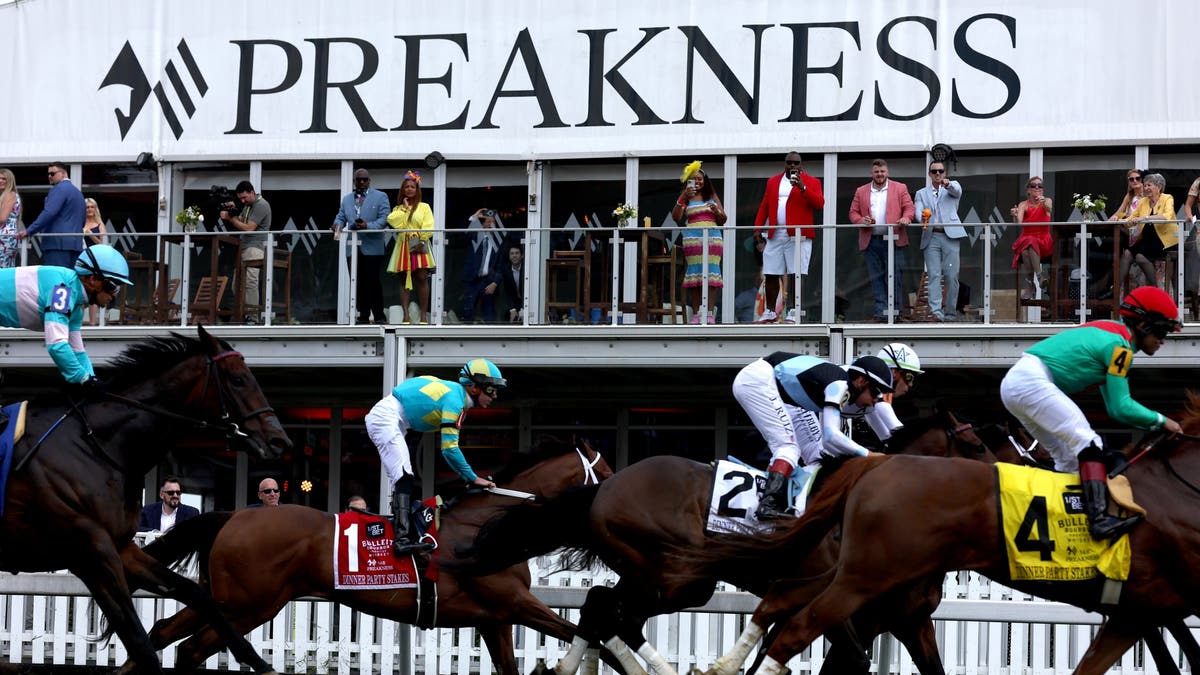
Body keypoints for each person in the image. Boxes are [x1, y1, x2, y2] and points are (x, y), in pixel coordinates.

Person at [1000, 286, 1183, 540]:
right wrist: (1163, 421)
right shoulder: (1120, 348)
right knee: (1089, 442)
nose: (1163, 340)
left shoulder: (1116, 336)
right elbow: (1122, 406)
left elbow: (1114, 410)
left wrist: (1155, 425)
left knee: (1067, 457)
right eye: (1162, 331)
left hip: (1018, 382)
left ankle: (1064, 519)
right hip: (1030, 381)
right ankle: (1098, 520)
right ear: (1143, 325)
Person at [364, 358, 506, 555]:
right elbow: (449, 449)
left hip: (393, 419)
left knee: (403, 479)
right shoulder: (455, 401)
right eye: (491, 389)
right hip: (387, 419)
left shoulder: (455, 394)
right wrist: (473, 478)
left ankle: (405, 531)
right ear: (474, 387)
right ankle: (401, 540)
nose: (495, 395)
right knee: (404, 478)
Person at [732, 352, 895, 520]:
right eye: (876, 392)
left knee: (819, 454)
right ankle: (768, 503)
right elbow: (831, 435)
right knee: (788, 448)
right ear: (861, 382)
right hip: (758, 381)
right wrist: (868, 455)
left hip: (787, 397)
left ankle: (801, 503)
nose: (877, 399)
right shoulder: (839, 385)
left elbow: (828, 444)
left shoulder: (845, 385)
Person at [0, 244, 131, 388]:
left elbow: (78, 351)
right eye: (113, 286)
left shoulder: (75, 306)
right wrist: (84, 379)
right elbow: (56, 345)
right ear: (92, 280)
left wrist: (92, 378)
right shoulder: (62, 291)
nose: (114, 295)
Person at [752, 152, 825, 323]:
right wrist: (757, 228)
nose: (792, 166)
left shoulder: (812, 181)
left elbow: (820, 204)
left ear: (801, 164)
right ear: (784, 164)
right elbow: (765, 205)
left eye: (796, 163)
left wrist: (802, 187)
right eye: (789, 163)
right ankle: (770, 311)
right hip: (775, 233)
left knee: (796, 273)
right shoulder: (773, 181)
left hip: (798, 235)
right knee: (770, 272)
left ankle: (794, 310)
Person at [849, 159, 915, 322]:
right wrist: (861, 220)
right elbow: (853, 213)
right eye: (877, 172)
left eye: (882, 171)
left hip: (894, 239)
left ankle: (896, 313)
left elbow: (909, 208)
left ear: (887, 172)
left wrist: (906, 218)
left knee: (895, 276)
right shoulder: (861, 190)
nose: (880, 174)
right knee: (875, 277)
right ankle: (881, 313)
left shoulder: (900, 188)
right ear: (872, 173)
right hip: (871, 240)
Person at [672, 161, 727, 324]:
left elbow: (723, 219)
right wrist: (683, 197)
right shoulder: (686, 197)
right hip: (692, 239)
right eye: (693, 179)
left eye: (700, 179)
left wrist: (716, 210)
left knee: (711, 275)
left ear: (705, 180)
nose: (697, 182)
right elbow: (676, 217)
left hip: (712, 238)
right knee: (695, 275)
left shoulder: (711, 195)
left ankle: (709, 313)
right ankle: (696, 314)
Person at [333, 169, 390, 324]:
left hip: (373, 247)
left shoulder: (380, 196)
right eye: (359, 180)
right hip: (352, 247)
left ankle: (379, 316)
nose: (362, 182)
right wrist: (337, 225)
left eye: (365, 180)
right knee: (357, 282)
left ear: (369, 180)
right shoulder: (347, 199)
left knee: (373, 282)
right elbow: (341, 216)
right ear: (354, 181)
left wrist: (367, 226)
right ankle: (363, 315)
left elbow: (384, 219)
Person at [913, 161, 966, 322]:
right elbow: (917, 211)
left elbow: (956, 191)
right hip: (932, 236)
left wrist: (947, 183)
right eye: (934, 171)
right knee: (934, 274)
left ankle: (950, 313)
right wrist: (921, 216)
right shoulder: (921, 193)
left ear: (944, 172)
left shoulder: (953, 185)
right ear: (929, 174)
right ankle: (936, 313)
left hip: (950, 236)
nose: (937, 174)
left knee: (952, 275)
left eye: (940, 171)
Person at [386, 170, 436, 324]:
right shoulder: (398, 209)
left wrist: (422, 241)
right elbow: (394, 222)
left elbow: (429, 225)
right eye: (406, 187)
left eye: (412, 187)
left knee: (421, 277)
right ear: (403, 189)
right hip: (403, 244)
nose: (409, 189)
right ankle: (406, 315)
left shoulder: (425, 207)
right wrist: (406, 209)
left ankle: (422, 315)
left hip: (418, 241)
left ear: (417, 189)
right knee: (403, 279)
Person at [221, 180, 271, 324]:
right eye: (240, 198)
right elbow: (241, 221)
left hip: (255, 247)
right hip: (245, 247)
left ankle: (253, 317)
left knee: (250, 282)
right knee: (236, 285)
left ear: (252, 192)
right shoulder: (248, 205)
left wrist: (230, 218)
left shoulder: (261, 205)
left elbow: (249, 228)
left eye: (244, 197)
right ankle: (244, 314)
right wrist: (233, 211)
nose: (243, 200)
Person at [20, 162, 85, 268]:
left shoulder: (58, 189)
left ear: (63, 173)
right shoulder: (78, 192)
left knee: (58, 280)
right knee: (71, 280)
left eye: (52, 173)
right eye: (48, 174)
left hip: (56, 244)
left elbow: (49, 212)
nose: (49, 176)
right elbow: (82, 220)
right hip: (75, 244)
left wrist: (29, 230)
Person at [1120, 173, 1178, 292]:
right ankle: (1115, 288)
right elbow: (1131, 219)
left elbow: (1167, 216)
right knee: (1127, 253)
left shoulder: (1167, 198)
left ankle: (1155, 289)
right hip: (1147, 240)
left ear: (1159, 187)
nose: (1145, 188)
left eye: (1149, 185)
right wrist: (1121, 219)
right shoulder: (1143, 202)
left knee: (1140, 257)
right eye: (1145, 185)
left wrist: (1145, 218)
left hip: (1165, 241)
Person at [1011, 177, 1053, 301]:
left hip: (1043, 240)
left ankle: (1031, 285)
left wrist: (1043, 202)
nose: (1037, 188)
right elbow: (1019, 223)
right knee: (1026, 246)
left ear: (1042, 189)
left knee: (1027, 246)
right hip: (1027, 238)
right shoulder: (1023, 204)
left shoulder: (1047, 200)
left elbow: (1049, 208)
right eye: (1033, 185)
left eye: (1040, 186)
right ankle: (1040, 277)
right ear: (1028, 189)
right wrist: (1014, 215)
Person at [460, 208, 504, 323]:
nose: (490, 225)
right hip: (472, 281)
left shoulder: (499, 242)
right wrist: (475, 217)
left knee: (489, 315)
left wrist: (495, 283)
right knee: (468, 312)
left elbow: (501, 264)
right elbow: (464, 235)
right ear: (483, 223)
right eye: (487, 222)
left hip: (489, 282)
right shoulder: (475, 237)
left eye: (492, 222)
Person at [82, 198, 109, 325]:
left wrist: (91, 235)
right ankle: (79, 321)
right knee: (81, 289)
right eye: (87, 207)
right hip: (82, 259)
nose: (89, 209)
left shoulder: (100, 224)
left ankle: (93, 322)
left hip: (96, 259)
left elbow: (103, 243)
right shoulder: (80, 223)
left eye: (92, 207)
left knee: (94, 290)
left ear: (95, 209)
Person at [0, 169, 21, 269]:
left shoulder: (9, 195)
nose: (1, 181)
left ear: (10, 180)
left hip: (4, 236)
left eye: (4, 178)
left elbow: (2, 218)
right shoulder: (8, 195)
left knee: (3, 269)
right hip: (8, 236)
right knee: (7, 268)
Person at [501, 241, 525, 323]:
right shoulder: (506, 270)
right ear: (509, 256)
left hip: (527, 301)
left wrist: (524, 308)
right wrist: (512, 309)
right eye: (512, 253)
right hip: (514, 302)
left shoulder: (527, 268)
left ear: (522, 255)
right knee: (508, 315)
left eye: (517, 253)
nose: (514, 256)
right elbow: (507, 292)